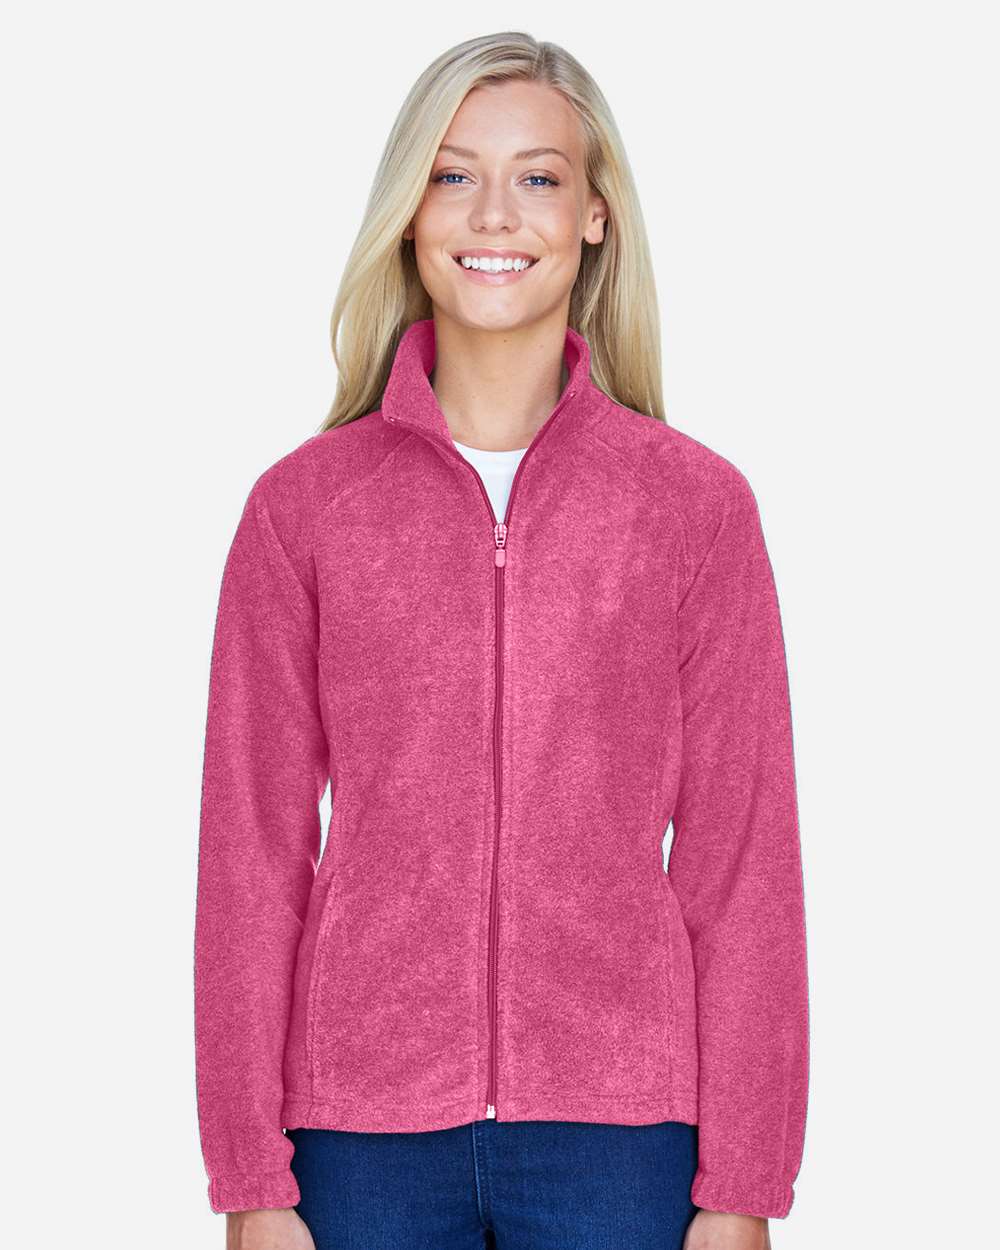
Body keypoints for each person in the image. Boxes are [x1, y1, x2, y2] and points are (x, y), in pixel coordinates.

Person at [194, 30, 810, 1250]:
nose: (494, 214)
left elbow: (743, 860)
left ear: (593, 215)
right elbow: (249, 855)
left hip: (621, 1137)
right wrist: (247, 1175)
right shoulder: (302, 509)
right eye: (451, 174)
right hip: (358, 1137)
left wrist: (744, 1180)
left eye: (537, 176)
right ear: (409, 213)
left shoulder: (693, 508)